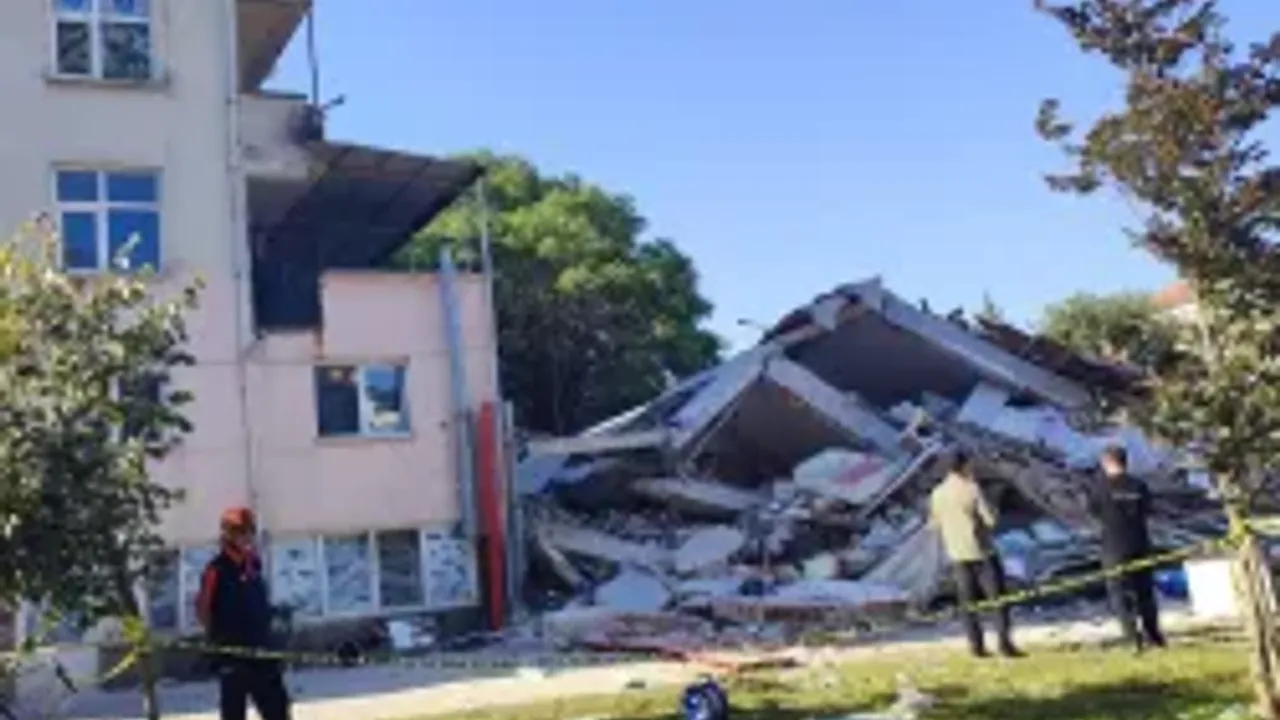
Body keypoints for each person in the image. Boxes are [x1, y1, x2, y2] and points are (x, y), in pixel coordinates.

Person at [196, 506, 292, 720]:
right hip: (233, 658)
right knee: (233, 714)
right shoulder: (216, 570)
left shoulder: (253, 564)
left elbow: (257, 603)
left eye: (249, 531)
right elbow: (203, 611)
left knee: (278, 710)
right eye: (239, 531)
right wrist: (218, 640)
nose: (245, 536)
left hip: (263, 653)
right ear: (227, 534)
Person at [929, 450, 1022, 658]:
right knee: (998, 601)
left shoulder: (937, 493)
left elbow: (934, 524)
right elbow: (990, 520)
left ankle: (976, 646)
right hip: (982, 553)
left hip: (957, 555)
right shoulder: (972, 489)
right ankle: (1004, 644)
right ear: (964, 466)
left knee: (968, 604)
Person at [1089, 445, 1165, 652]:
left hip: (1113, 546)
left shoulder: (1099, 488)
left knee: (1119, 594)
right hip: (1140, 543)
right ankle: (1154, 636)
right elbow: (1148, 509)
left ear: (1106, 463)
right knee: (1145, 593)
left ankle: (1132, 638)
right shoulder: (1139, 485)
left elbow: (1093, 512)